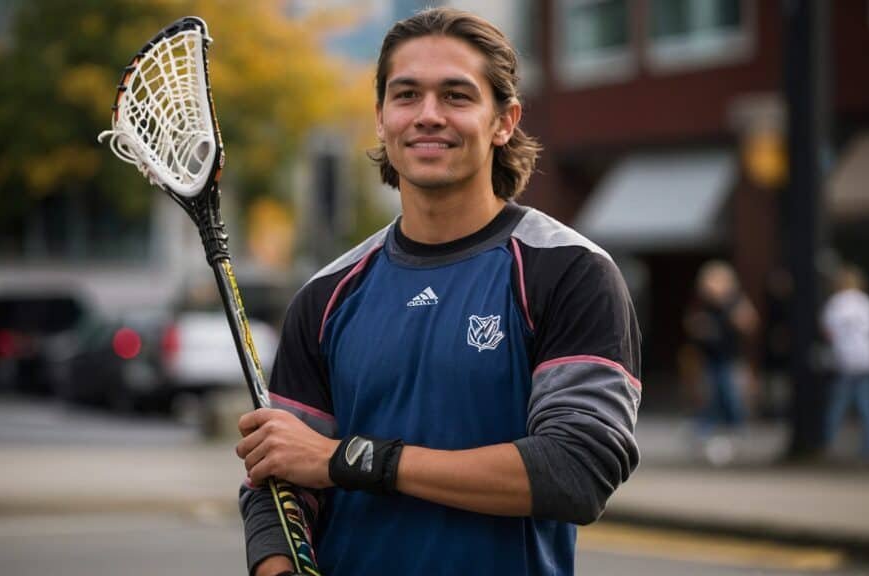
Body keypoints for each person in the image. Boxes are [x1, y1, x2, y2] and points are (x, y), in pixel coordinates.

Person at [235, 8, 641, 575]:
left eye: (456, 96)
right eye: (406, 96)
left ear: (504, 120)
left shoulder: (569, 271)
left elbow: (574, 470)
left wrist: (345, 460)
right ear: (380, 118)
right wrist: (276, 564)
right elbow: (277, 478)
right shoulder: (326, 295)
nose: (428, 116)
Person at [684, 261, 758, 461]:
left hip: (730, 359)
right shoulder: (704, 305)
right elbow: (691, 324)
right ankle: (702, 435)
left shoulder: (734, 301)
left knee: (732, 398)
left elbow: (749, 323)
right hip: (710, 359)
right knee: (710, 399)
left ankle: (738, 435)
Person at [821, 264, 869, 459]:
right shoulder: (866, 303)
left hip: (846, 359)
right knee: (867, 405)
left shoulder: (835, 303)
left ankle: (826, 443)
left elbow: (828, 333)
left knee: (838, 404)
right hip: (867, 358)